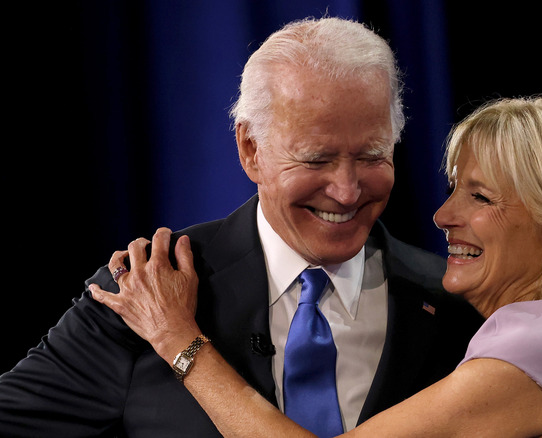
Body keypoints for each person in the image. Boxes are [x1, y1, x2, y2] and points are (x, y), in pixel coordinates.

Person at [90, 96, 542, 437]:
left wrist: (178, 339)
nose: (442, 214)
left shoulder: (540, 342)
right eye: (454, 189)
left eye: (479, 198)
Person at [0, 17, 483, 437]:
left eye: (371, 156)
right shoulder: (145, 288)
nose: (346, 190)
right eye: (316, 158)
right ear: (250, 149)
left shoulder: (456, 304)